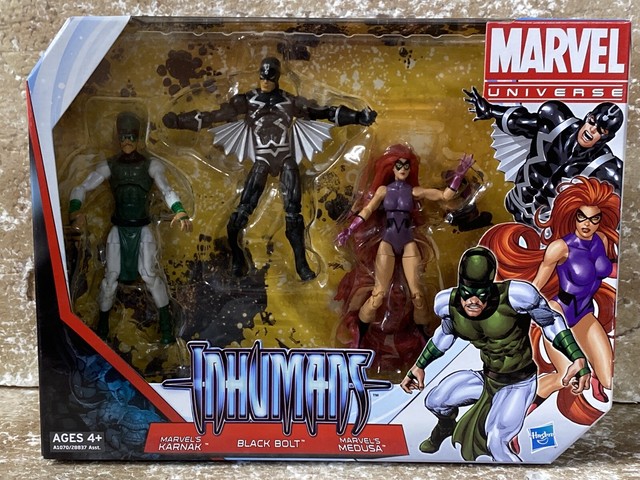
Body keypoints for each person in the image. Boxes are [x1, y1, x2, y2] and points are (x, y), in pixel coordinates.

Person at [163, 57, 376, 280]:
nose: (265, 81)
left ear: (277, 77)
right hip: (262, 159)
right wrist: (179, 121)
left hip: (286, 158)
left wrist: (358, 117)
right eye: (262, 77)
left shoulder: (289, 101)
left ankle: (301, 264)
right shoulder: (248, 100)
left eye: (269, 77)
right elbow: (214, 116)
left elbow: (323, 112)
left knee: (293, 214)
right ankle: (237, 256)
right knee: (242, 210)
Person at [400, 246, 590, 462]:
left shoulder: (517, 297)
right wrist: (419, 366)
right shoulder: (448, 304)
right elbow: (444, 336)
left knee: (497, 441)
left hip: (518, 383)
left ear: (490, 287)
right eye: (467, 293)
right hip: (488, 378)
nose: (473, 301)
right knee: (435, 401)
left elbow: (551, 322)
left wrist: (577, 357)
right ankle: (445, 427)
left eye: (480, 294)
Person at [480, 176, 619, 424]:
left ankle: (595, 376)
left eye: (594, 219)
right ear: (573, 216)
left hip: (585, 314)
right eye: (582, 217)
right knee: (566, 376)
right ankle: (513, 415)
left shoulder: (602, 241)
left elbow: (610, 270)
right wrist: (515, 311)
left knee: (609, 381)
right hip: (558, 314)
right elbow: (536, 286)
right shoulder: (560, 248)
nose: (587, 224)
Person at [69, 112, 192, 344]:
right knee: (110, 279)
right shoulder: (110, 166)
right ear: (118, 138)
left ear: (138, 137)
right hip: (118, 229)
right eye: (123, 136)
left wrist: (179, 210)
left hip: (142, 229)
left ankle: (166, 327)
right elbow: (82, 187)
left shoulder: (150, 165)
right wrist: (75, 210)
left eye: (131, 136)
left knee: (150, 275)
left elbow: (166, 189)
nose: (127, 141)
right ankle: (102, 328)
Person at [336, 144, 473, 330]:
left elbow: (444, 196)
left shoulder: (414, 191)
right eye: (398, 165)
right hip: (387, 242)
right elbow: (367, 210)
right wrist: (350, 229)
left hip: (408, 242)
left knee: (418, 296)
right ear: (391, 168)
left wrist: (458, 175)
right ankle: (359, 329)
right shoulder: (383, 191)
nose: (402, 169)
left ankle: (424, 332)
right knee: (378, 294)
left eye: (406, 166)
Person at [464, 87, 623, 226]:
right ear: (587, 116)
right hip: (515, 202)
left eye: (601, 130)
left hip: (546, 228)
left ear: (607, 137)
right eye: (592, 121)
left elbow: (619, 212)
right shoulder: (557, 122)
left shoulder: (608, 168)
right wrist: (491, 110)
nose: (592, 130)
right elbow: (518, 122)